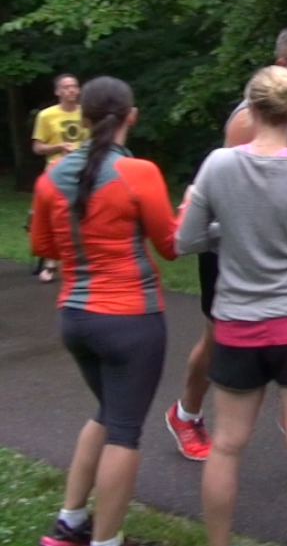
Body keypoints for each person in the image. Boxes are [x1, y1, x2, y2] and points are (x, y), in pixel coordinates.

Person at [175, 66, 287, 546]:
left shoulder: (217, 165)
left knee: (227, 448)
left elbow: (186, 240)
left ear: (249, 110)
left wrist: (228, 227)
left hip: (238, 326)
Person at [31, 76, 181, 546]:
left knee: (108, 413)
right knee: (124, 432)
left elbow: (42, 246)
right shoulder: (139, 173)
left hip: (75, 319)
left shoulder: (50, 178)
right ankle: (107, 540)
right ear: (131, 117)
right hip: (130, 319)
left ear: (84, 119)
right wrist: (193, 204)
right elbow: (172, 245)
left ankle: (69, 524)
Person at [31, 73, 87, 283]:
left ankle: (83, 262)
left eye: (74, 86)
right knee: (56, 216)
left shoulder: (86, 113)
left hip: (84, 170)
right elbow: (37, 147)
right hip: (56, 171)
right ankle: (51, 262)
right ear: (57, 92)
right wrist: (59, 147)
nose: (71, 90)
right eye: (66, 87)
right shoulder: (47, 116)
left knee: (84, 215)